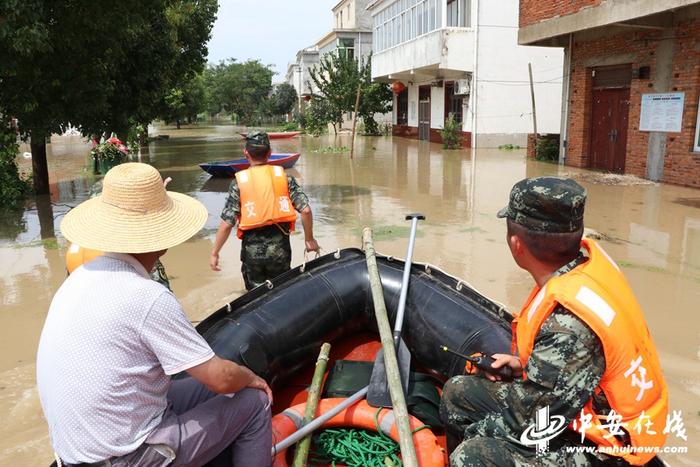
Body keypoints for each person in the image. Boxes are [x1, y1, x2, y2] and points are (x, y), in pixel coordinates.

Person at [37, 163, 273, 467]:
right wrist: (251, 377)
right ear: (161, 241)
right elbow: (221, 378)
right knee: (254, 402)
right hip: (125, 458)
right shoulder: (147, 297)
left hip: (75, 455)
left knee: (189, 388)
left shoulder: (79, 278)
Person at [440, 177, 668, 466]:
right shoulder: (584, 270)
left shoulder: (568, 325)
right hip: (585, 410)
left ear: (516, 244)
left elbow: (529, 422)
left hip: (609, 452)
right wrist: (523, 365)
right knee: (458, 393)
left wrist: (477, 437)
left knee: (471, 457)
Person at [210, 131, 319, 290]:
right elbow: (306, 211)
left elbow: (227, 224)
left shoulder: (238, 183)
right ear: (270, 153)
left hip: (252, 255)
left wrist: (215, 252)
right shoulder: (284, 178)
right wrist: (309, 239)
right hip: (279, 252)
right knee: (281, 293)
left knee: (255, 298)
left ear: (246, 153)